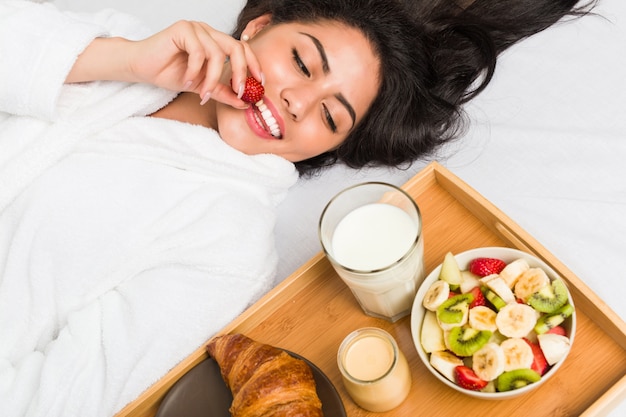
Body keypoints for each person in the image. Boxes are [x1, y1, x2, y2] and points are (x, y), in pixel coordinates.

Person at [0, 0, 594, 416]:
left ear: (328, 147)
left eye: (331, 117)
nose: (295, 103)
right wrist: (119, 59)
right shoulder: (121, 46)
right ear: (258, 25)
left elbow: (62, 400)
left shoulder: (227, 248)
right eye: (303, 63)